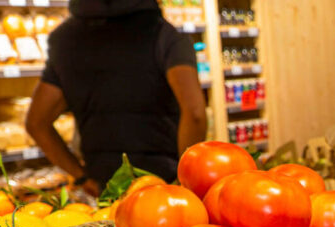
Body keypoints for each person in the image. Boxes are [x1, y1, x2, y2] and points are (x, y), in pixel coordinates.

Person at [25, 0, 207, 196]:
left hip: (106, 186)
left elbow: (36, 123)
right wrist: (184, 179)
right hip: (162, 184)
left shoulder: (64, 40)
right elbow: (195, 112)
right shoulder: (164, 36)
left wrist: (81, 176)